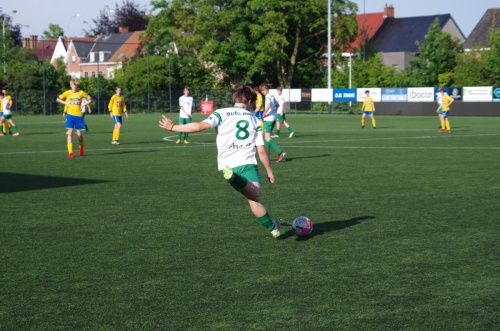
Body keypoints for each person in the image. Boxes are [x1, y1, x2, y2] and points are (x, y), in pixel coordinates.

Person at [158, 84, 281, 239]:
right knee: (256, 194)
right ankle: (237, 179)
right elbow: (261, 150)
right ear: (249, 101)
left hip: (227, 166)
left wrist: (174, 127)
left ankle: (272, 228)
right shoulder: (254, 119)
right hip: (247, 164)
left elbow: (199, 127)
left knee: (251, 198)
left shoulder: (221, 113)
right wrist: (270, 171)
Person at [56, 80, 92, 158]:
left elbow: (90, 99)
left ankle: (81, 148)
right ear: (70, 85)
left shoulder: (81, 93)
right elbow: (58, 99)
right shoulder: (67, 93)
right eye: (73, 85)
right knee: (70, 133)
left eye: (76, 85)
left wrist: (84, 104)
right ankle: (70, 152)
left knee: (79, 135)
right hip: (70, 115)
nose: (75, 86)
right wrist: (65, 103)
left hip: (78, 116)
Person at [259, 83, 286, 162]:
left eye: (264, 90)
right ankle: (267, 155)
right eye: (262, 90)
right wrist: (273, 112)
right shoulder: (273, 95)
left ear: (267, 89)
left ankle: (279, 152)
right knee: (266, 137)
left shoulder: (268, 96)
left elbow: (268, 106)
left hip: (269, 118)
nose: (263, 92)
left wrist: (264, 114)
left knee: (267, 138)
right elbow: (277, 105)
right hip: (273, 117)